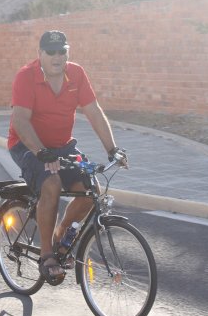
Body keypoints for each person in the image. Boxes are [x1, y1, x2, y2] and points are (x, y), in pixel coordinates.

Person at [8, 30, 127, 285]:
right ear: (40, 54)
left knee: (90, 189)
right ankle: (47, 255)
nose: (57, 56)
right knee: (51, 183)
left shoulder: (77, 73)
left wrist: (112, 149)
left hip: (62, 146)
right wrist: (41, 152)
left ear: (67, 52)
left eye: (62, 51)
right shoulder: (26, 76)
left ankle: (62, 235)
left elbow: (93, 112)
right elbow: (20, 121)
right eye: (50, 52)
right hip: (27, 146)